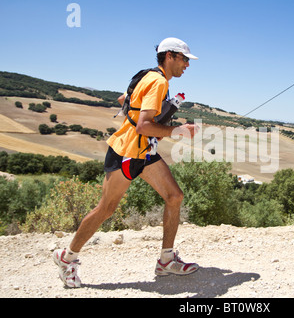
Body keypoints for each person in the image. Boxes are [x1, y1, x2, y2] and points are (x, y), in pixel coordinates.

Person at [53, 37, 200, 288]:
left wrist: (157, 125)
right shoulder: (158, 81)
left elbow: (125, 100)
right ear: (170, 56)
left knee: (174, 196)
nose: (187, 64)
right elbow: (143, 125)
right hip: (127, 153)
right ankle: (67, 258)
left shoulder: (147, 75)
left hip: (143, 150)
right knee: (106, 209)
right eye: (185, 58)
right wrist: (177, 131)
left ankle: (166, 260)